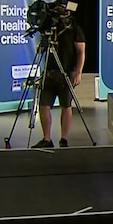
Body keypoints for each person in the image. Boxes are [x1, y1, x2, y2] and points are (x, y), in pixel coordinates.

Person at [32, 10, 86, 148]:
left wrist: (78, 73)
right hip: (49, 73)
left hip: (67, 72)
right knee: (43, 105)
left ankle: (64, 138)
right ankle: (47, 139)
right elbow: (40, 50)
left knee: (66, 106)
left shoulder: (75, 29)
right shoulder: (50, 28)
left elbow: (81, 52)